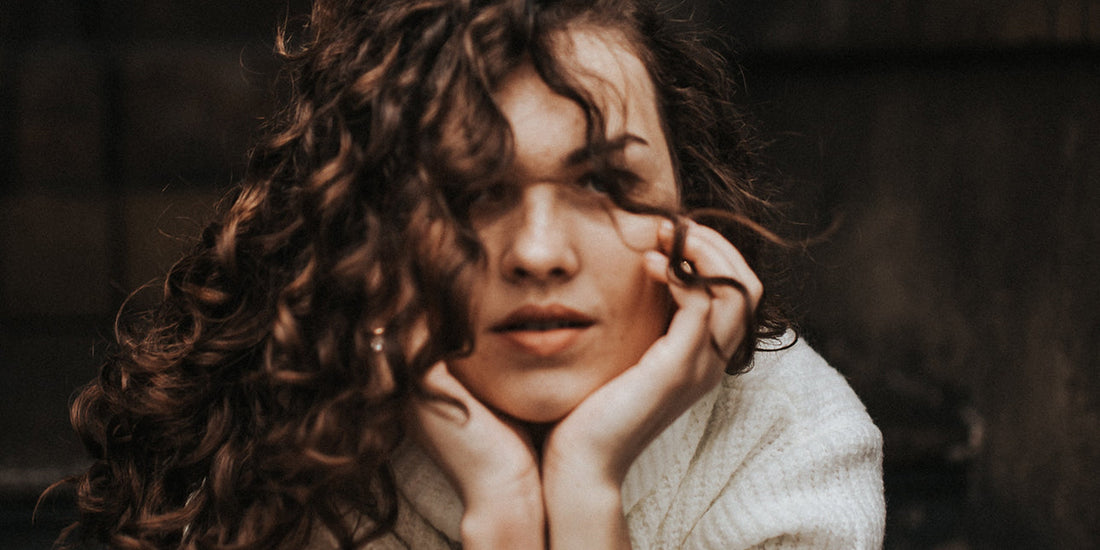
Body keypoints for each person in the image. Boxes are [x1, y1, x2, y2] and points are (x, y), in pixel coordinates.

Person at [56, 0, 885, 548]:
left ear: (690, 221)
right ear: (371, 222)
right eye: (470, 192)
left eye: (605, 185)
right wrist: (500, 500)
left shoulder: (795, 446)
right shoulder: (289, 426)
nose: (537, 252)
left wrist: (589, 493)